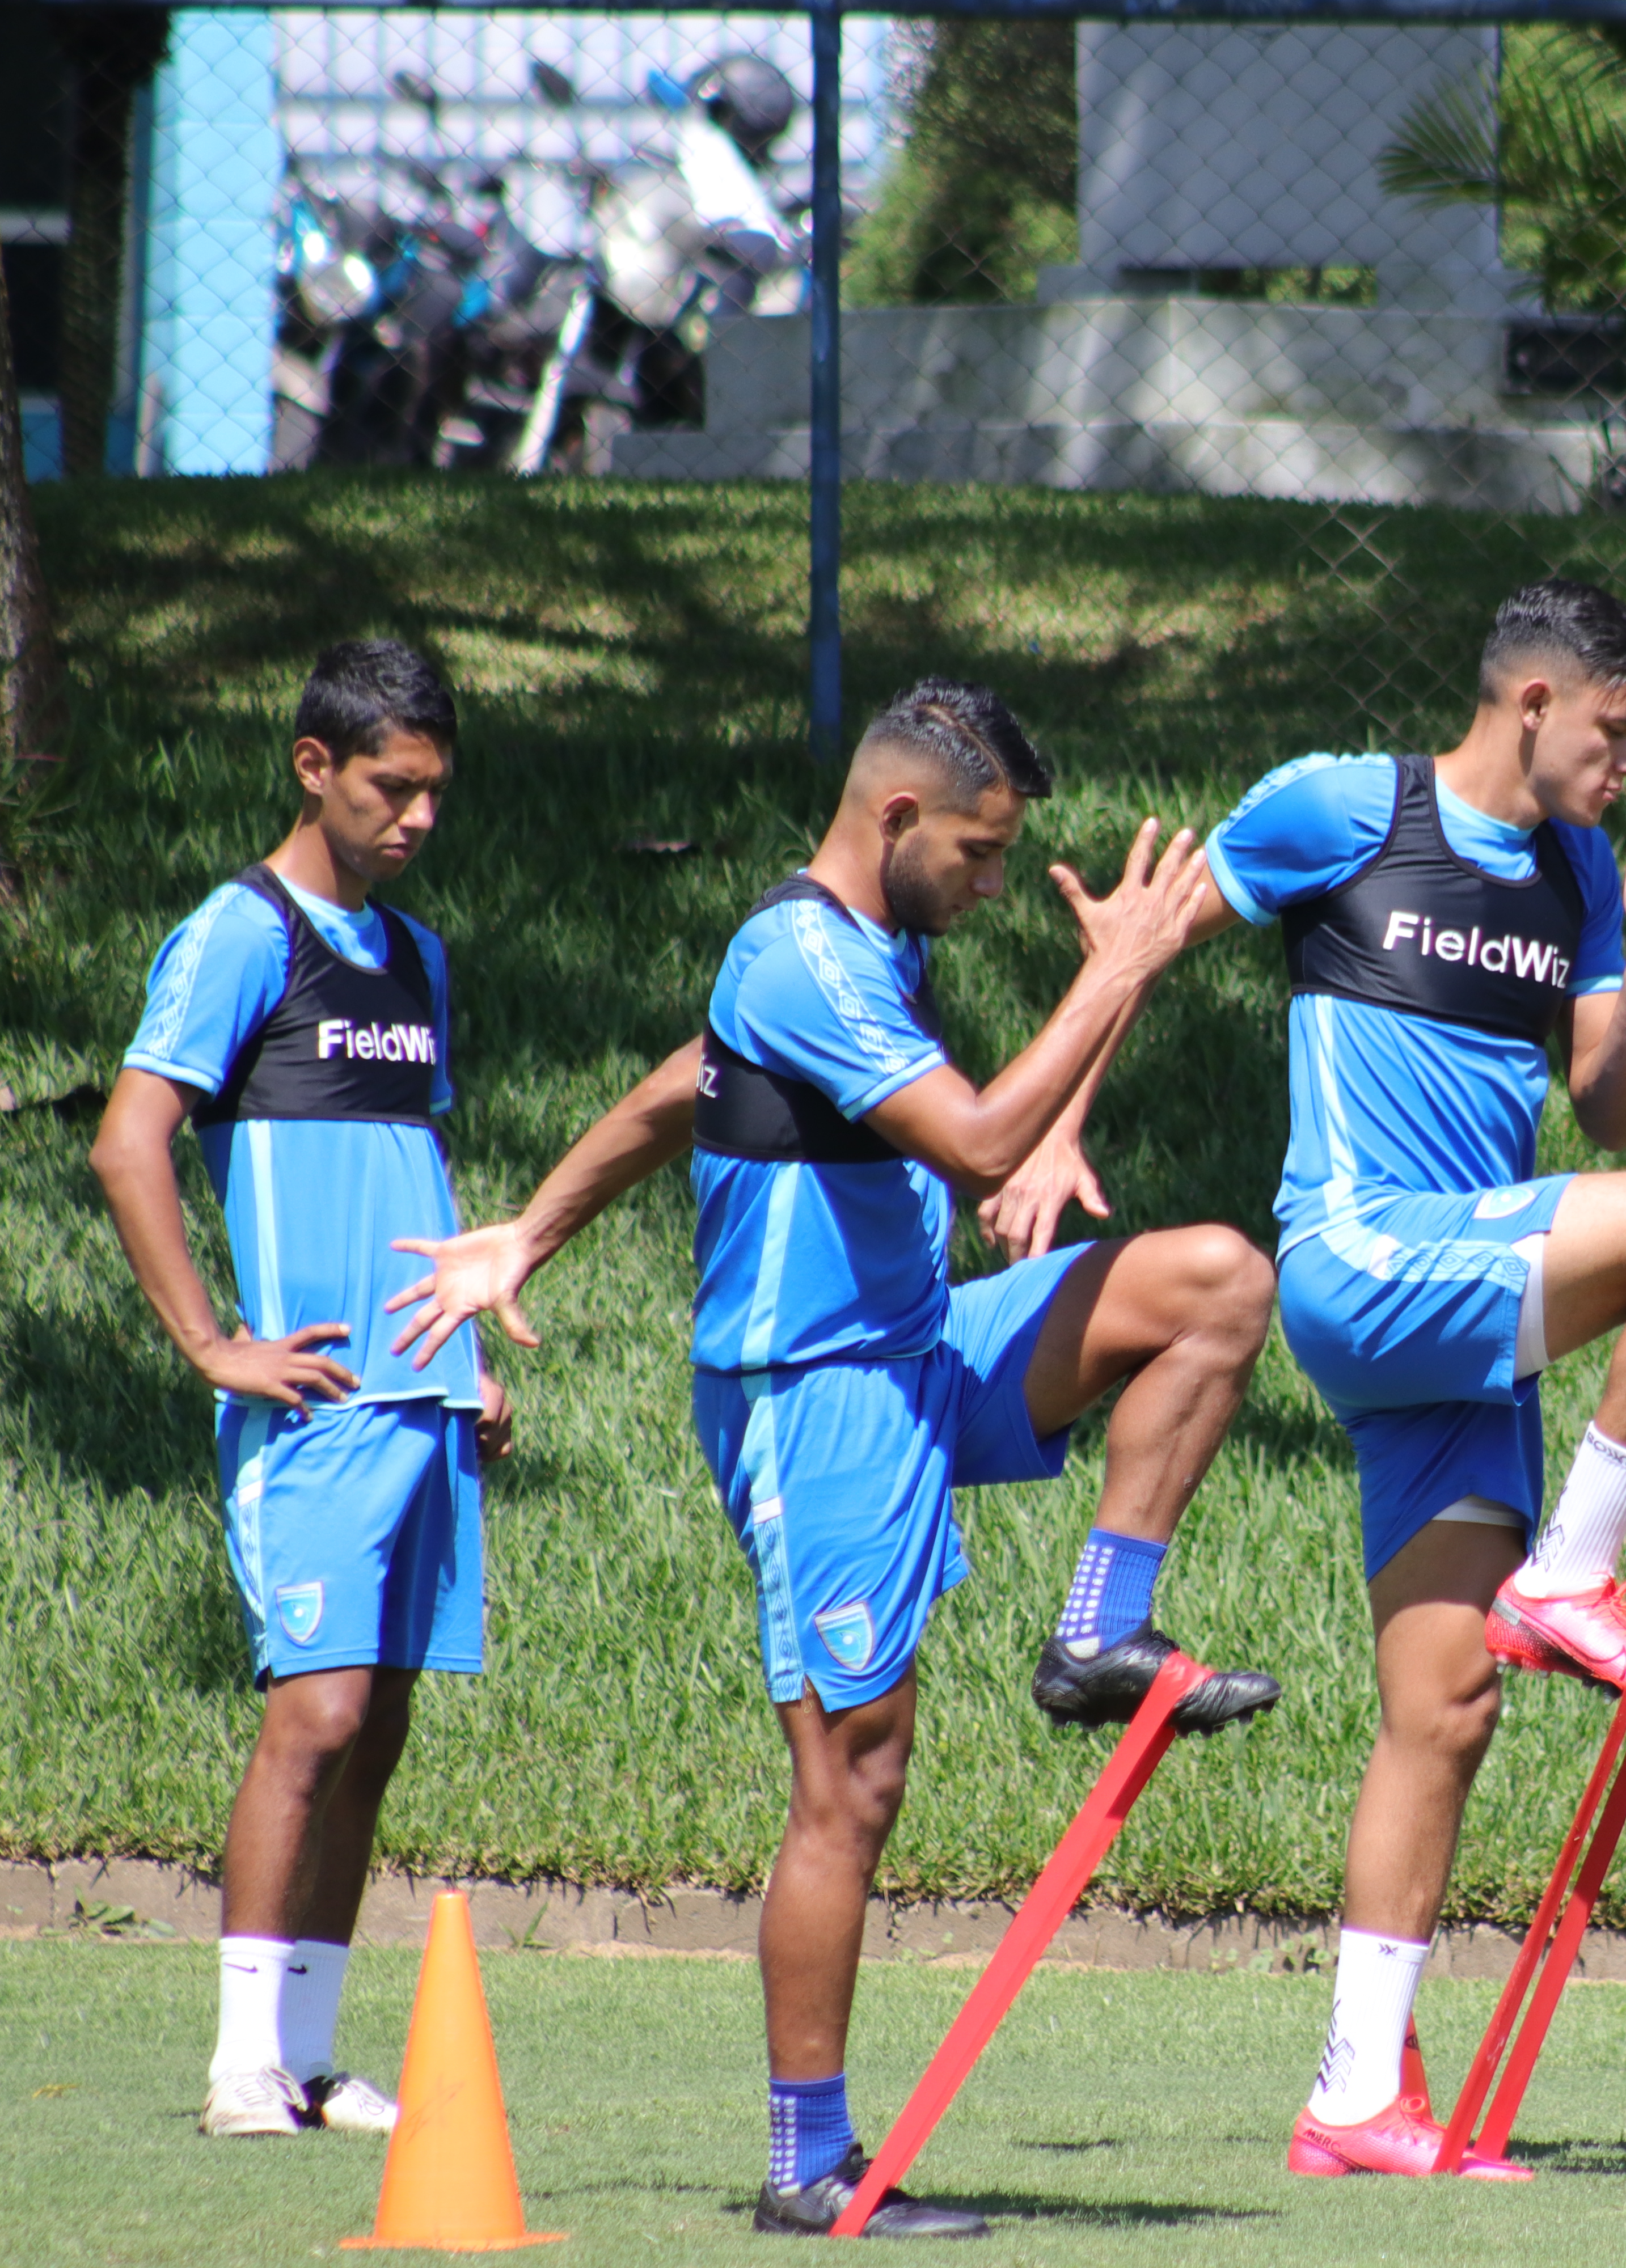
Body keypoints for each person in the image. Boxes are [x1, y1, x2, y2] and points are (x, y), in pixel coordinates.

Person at [382, 680, 1276, 2237]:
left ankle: (1098, 1629)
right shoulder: (795, 953)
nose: (997, 883)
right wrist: (1116, 977)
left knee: (1216, 1283)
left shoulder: (875, 947)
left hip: (923, 1347)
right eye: (984, 854)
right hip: (813, 1398)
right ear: (898, 820)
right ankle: (810, 2160)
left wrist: (530, 1227)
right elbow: (980, 1141)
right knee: (852, 1781)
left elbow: (688, 1086)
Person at [979, 579, 1626, 2179]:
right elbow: (1145, 940)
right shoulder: (1342, 808)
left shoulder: (1571, 873)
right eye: (1618, 729)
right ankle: (1574, 1572)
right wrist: (1061, 1120)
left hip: (1467, 1319)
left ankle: (1355, 2096)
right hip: (1365, 1259)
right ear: (1537, 702)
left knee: (1449, 1707)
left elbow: (1613, 1113)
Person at [88, 638, 504, 2140]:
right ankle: (239, 2065)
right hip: (313, 1406)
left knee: (378, 1722)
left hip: (423, 1401)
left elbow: (420, 1167)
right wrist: (211, 1343)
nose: (419, 818)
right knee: (313, 1715)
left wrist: (465, 1334)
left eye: (437, 792)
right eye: (394, 787)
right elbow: (130, 1141)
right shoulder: (239, 934)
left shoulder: (417, 958)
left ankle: (313, 2063)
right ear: (313, 767)